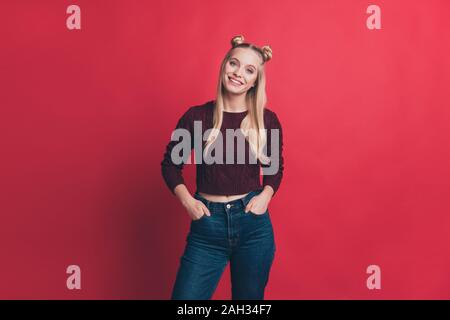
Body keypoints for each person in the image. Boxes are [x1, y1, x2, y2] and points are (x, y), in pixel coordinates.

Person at [161, 34, 284, 300]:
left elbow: (275, 168)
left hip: (253, 227)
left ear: (255, 81)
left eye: (249, 70)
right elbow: (171, 165)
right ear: (224, 66)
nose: (238, 73)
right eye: (234, 64)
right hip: (207, 228)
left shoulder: (266, 121)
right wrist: (187, 201)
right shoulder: (197, 117)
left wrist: (266, 195)